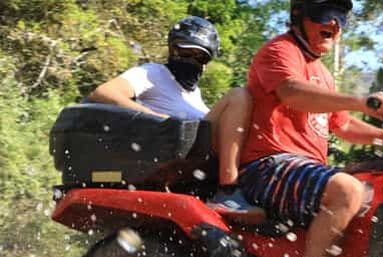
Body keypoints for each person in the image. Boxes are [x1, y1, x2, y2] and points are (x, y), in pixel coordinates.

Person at [239, 0, 383, 257]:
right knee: (346, 190)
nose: (334, 24)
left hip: (303, 170)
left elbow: (344, 127)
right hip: (268, 166)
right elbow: (293, 94)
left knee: (376, 193)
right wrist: (360, 99)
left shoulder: (323, 74)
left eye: (341, 18)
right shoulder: (280, 51)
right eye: (326, 13)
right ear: (299, 15)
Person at [87, 16, 257, 213]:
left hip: (197, 156)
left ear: (206, 62)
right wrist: (157, 119)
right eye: (185, 52)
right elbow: (103, 93)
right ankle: (228, 190)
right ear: (172, 50)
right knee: (238, 96)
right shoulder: (152, 73)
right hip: (166, 154)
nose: (191, 60)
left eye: (199, 56)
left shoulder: (195, 96)